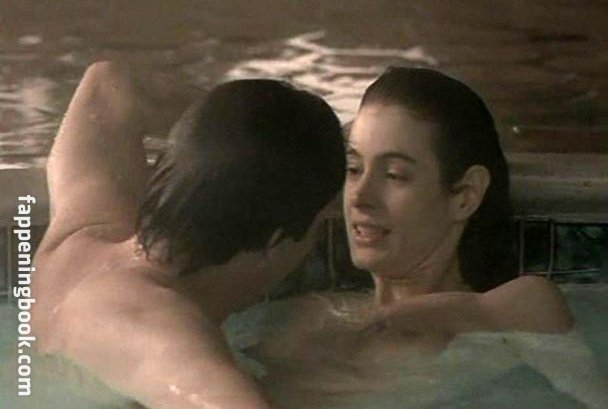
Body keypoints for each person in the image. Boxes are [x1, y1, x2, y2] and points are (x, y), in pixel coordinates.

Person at [244, 67, 603, 408]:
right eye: (354, 168)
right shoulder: (308, 320)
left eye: (394, 175)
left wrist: (396, 316)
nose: (360, 196)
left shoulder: (515, 310)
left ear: (465, 196)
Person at [31, 61, 345, 409]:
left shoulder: (81, 235)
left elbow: (110, 84)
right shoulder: (166, 341)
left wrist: (239, 136)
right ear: (274, 243)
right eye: (318, 225)